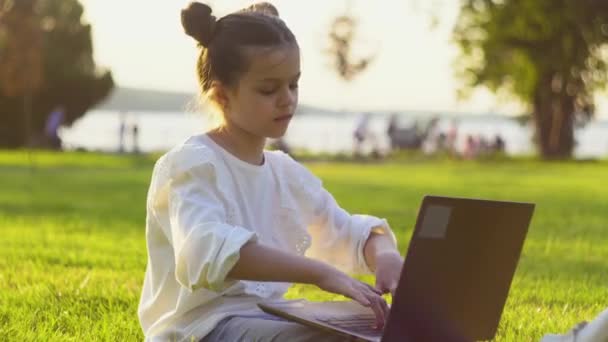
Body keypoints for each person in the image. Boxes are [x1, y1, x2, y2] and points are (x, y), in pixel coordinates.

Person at [138, 3, 402, 341]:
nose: (287, 100)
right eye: (268, 89)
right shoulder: (191, 165)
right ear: (221, 96)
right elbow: (207, 251)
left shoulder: (283, 172)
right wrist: (319, 273)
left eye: (293, 85)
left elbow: (345, 230)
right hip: (202, 329)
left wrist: (385, 254)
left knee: (386, 329)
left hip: (266, 320)